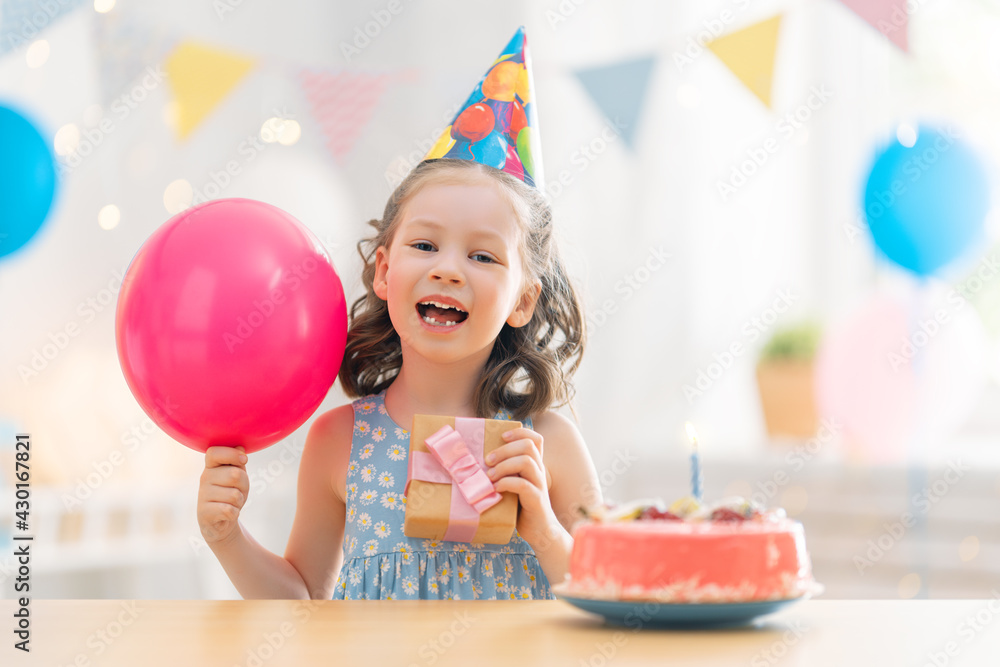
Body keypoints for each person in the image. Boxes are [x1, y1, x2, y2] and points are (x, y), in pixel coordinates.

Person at [196, 27, 603, 600]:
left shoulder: (546, 442)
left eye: (482, 255)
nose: (448, 269)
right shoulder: (339, 441)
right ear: (385, 271)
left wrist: (544, 531)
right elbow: (303, 601)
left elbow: (614, 590)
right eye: (426, 246)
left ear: (523, 299)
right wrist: (226, 536)